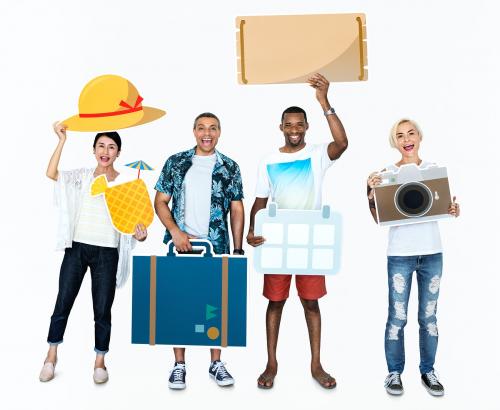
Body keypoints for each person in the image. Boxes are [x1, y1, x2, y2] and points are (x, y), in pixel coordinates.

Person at [246, 73, 348, 389]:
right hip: (277, 241)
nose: (294, 129)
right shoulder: (269, 159)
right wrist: (252, 231)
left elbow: (342, 143)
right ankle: (271, 363)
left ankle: (316, 364)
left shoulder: (317, 154)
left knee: (311, 303)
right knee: (275, 302)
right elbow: (259, 201)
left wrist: (324, 101)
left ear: (306, 127)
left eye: (299, 125)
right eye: (288, 125)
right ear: (281, 128)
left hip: (311, 240)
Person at [39, 122, 147, 384]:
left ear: (118, 153)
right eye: (101, 145)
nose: (105, 151)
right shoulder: (82, 176)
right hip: (77, 248)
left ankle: (100, 361)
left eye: (111, 147)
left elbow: (133, 225)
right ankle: (51, 356)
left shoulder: (126, 184)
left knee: (102, 310)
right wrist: (62, 140)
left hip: (107, 253)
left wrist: (140, 234)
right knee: (63, 302)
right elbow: (51, 173)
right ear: (94, 149)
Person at [366, 118, 460, 397]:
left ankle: (427, 371)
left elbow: (443, 206)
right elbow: (378, 218)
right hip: (400, 254)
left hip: (432, 252)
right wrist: (371, 193)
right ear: (393, 141)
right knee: (397, 316)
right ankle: (394, 373)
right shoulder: (384, 174)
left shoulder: (434, 171)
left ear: (420, 136)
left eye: (411, 133)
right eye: (400, 135)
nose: (406, 139)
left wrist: (453, 208)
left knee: (428, 317)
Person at [154, 112, 244, 389]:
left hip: (215, 246)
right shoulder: (176, 162)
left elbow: (237, 207)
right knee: (179, 304)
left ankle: (215, 363)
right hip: (180, 246)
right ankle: (179, 365)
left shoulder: (229, 166)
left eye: (213, 128)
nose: (207, 133)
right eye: (202, 128)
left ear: (219, 132)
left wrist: (237, 249)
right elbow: (160, 201)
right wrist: (175, 232)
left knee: (214, 306)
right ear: (194, 131)